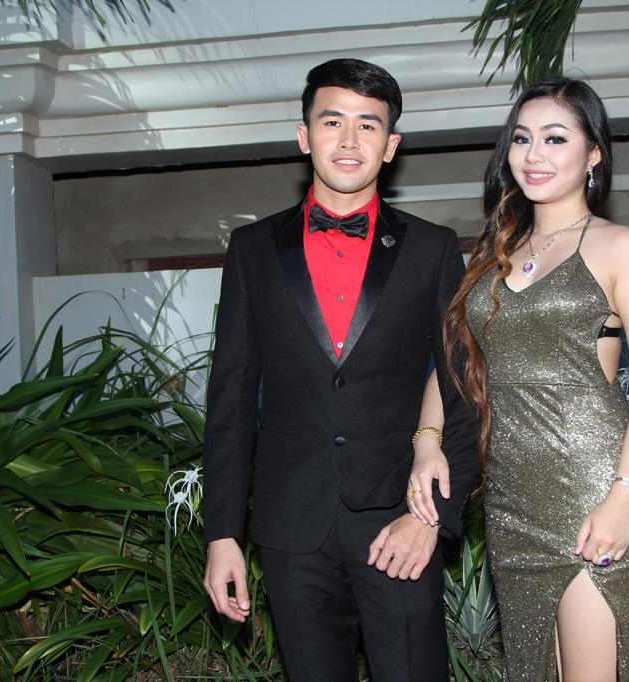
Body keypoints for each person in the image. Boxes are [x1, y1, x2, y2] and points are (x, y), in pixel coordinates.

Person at [200, 58, 477, 682]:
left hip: (400, 521)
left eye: (368, 125)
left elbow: (464, 387)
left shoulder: (432, 248)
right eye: (332, 122)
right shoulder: (251, 250)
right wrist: (222, 534)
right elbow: (231, 398)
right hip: (291, 528)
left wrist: (431, 519)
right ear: (304, 136)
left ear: (391, 146)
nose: (349, 140)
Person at [408, 77, 629, 681]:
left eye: (555, 138)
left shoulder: (621, 246)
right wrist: (426, 441)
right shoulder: (492, 255)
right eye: (522, 138)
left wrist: (623, 498)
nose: (534, 154)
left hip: (592, 485)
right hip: (511, 498)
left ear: (594, 153)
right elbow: (456, 364)